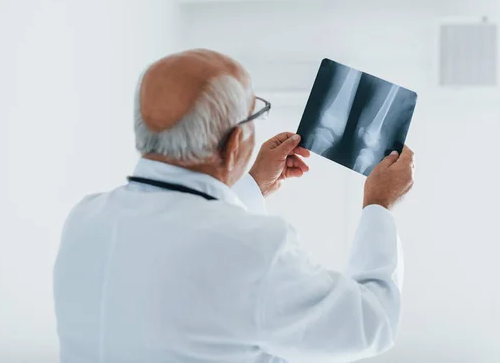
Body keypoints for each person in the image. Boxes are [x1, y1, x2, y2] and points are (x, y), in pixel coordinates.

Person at [53, 49, 415, 363]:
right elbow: (372, 323)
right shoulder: (259, 249)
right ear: (234, 144)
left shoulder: (85, 219)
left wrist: (252, 187)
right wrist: (379, 207)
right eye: (255, 113)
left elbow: (183, 248)